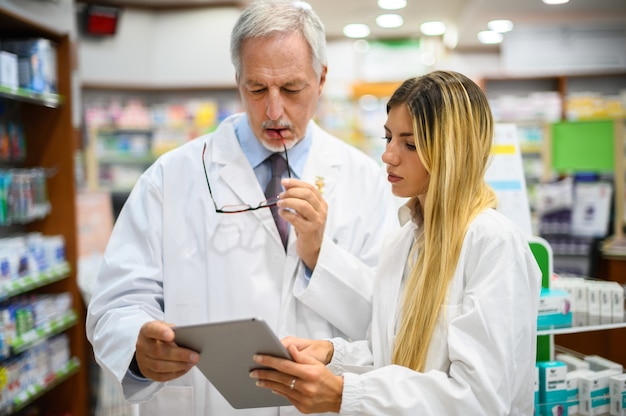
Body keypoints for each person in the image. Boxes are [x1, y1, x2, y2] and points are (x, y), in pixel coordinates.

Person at [85, 0, 398, 415]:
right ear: (238, 81)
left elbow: (389, 318)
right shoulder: (171, 178)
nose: (273, 110)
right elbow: (117, 303)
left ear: (321, 79)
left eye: (290, 89)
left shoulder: (366, 181)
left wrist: (322, 255)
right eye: (256, 89)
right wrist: (138, 348)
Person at [251, 70, 543, 415]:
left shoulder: (493, 245)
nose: (388, 155)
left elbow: (479, 399)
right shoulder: (404, 240)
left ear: (452, 150)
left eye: (410, 144)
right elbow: (392, 355)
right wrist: (332, 354)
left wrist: (344, 394)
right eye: (388, 137)